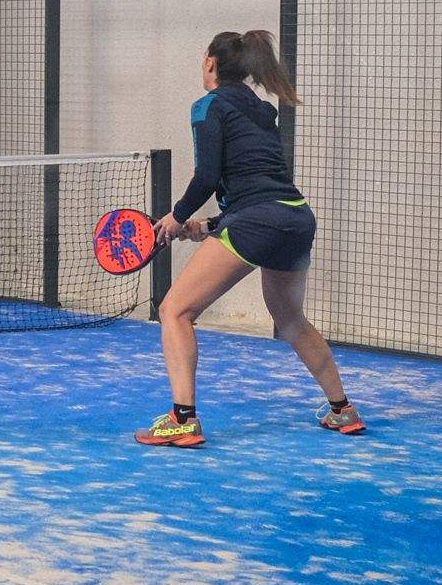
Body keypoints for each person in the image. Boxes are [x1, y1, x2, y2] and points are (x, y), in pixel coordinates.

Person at [138, 30, 362, 447]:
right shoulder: (261, 109)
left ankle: (183, 419)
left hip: (256, 221)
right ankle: (342, 410)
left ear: (210, 63)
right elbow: (259, 185)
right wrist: (210, 225)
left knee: (175, 310)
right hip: (295, 218)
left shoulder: (208, 105)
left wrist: (175, 217)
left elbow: (207, 176)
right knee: (291, 320)